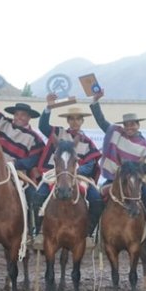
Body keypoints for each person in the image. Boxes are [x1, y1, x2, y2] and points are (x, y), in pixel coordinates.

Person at [0, 81, 46, 235]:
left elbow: (33, 160)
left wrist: (15, 163)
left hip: (18, 174)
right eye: (17, 114)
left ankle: (33, 230)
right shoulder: (3, 123)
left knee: (33, 196)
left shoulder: (35, 138)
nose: (19, 117)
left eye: (23, 115)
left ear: (29, 118)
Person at [89, 89, 146, 240]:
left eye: (132, 124)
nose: (129, 127)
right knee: (99, 197)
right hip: (115, 179)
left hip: (136, 181)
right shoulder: (115, 133)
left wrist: (139, 170)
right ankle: (94, 233)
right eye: (127, 125)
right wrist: (95, 102)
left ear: (138, 125)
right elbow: (101, 120)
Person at [34, 96, 103, 237]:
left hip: (80, 176)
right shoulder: (58, 133)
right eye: (72, 119)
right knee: (38, 196)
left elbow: (90, 164)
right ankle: (38, 231)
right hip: (56, 174)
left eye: (78, 119)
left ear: (82, 121)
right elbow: (43, 126)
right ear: (68, 121)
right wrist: (49, 107)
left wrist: (74, 172)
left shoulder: (88, 142)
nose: (75, 121)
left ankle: (88, 233)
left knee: (96, 200)